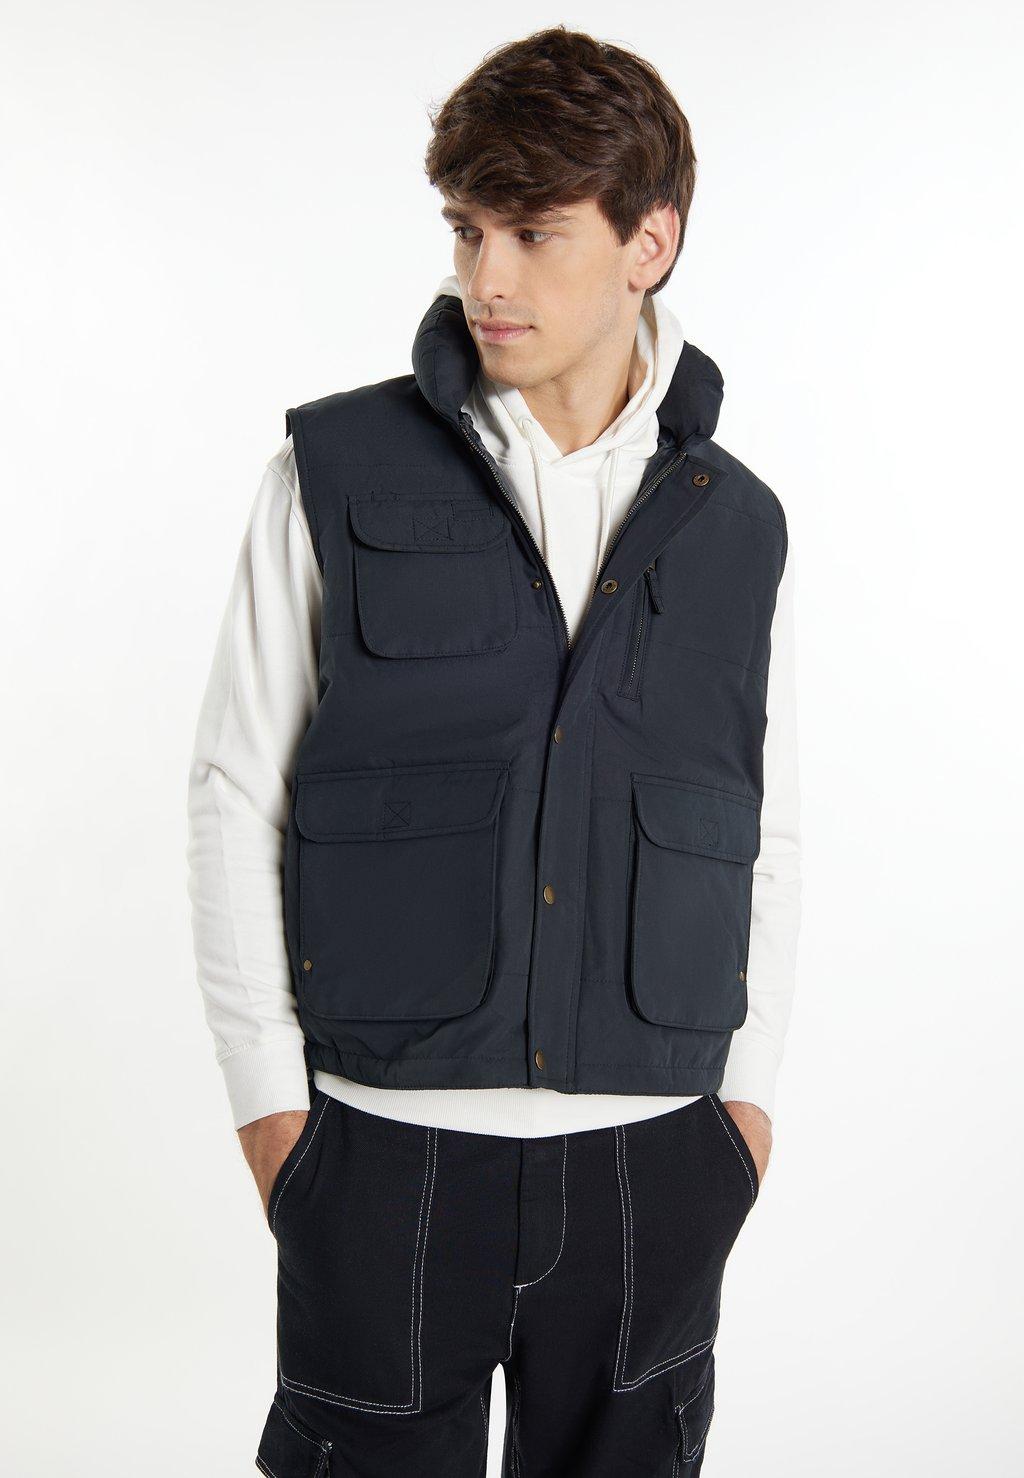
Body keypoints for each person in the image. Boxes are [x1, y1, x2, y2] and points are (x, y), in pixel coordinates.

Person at [186, 25, 801, 1476]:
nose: (487, 279)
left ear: (649, 243)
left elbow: (755, 819)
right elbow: (233, 793)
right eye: (469, 230)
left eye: (532, 231)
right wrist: (276, 1114)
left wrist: (742, 1113)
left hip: (658, 1154)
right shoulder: (331, 472)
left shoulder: (737, 520)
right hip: (384, 1150)